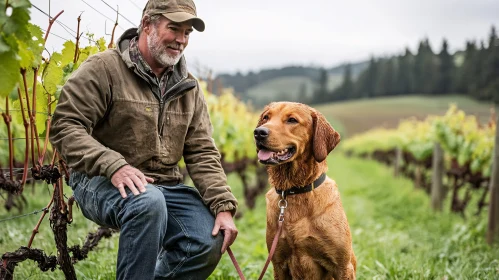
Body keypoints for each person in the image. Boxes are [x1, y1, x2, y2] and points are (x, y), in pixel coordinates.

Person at [49, 0, 239, 279]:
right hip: (98, 179)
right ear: (147, 24)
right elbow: (65, 125)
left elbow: (201, 151)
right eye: (174, 28)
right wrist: (113, 165)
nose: (181, 40)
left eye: (187, 32)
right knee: (147, 202)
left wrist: (222, 206)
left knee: (205, 237)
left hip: (163, 186)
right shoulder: (103, 69)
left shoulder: (188, 86)